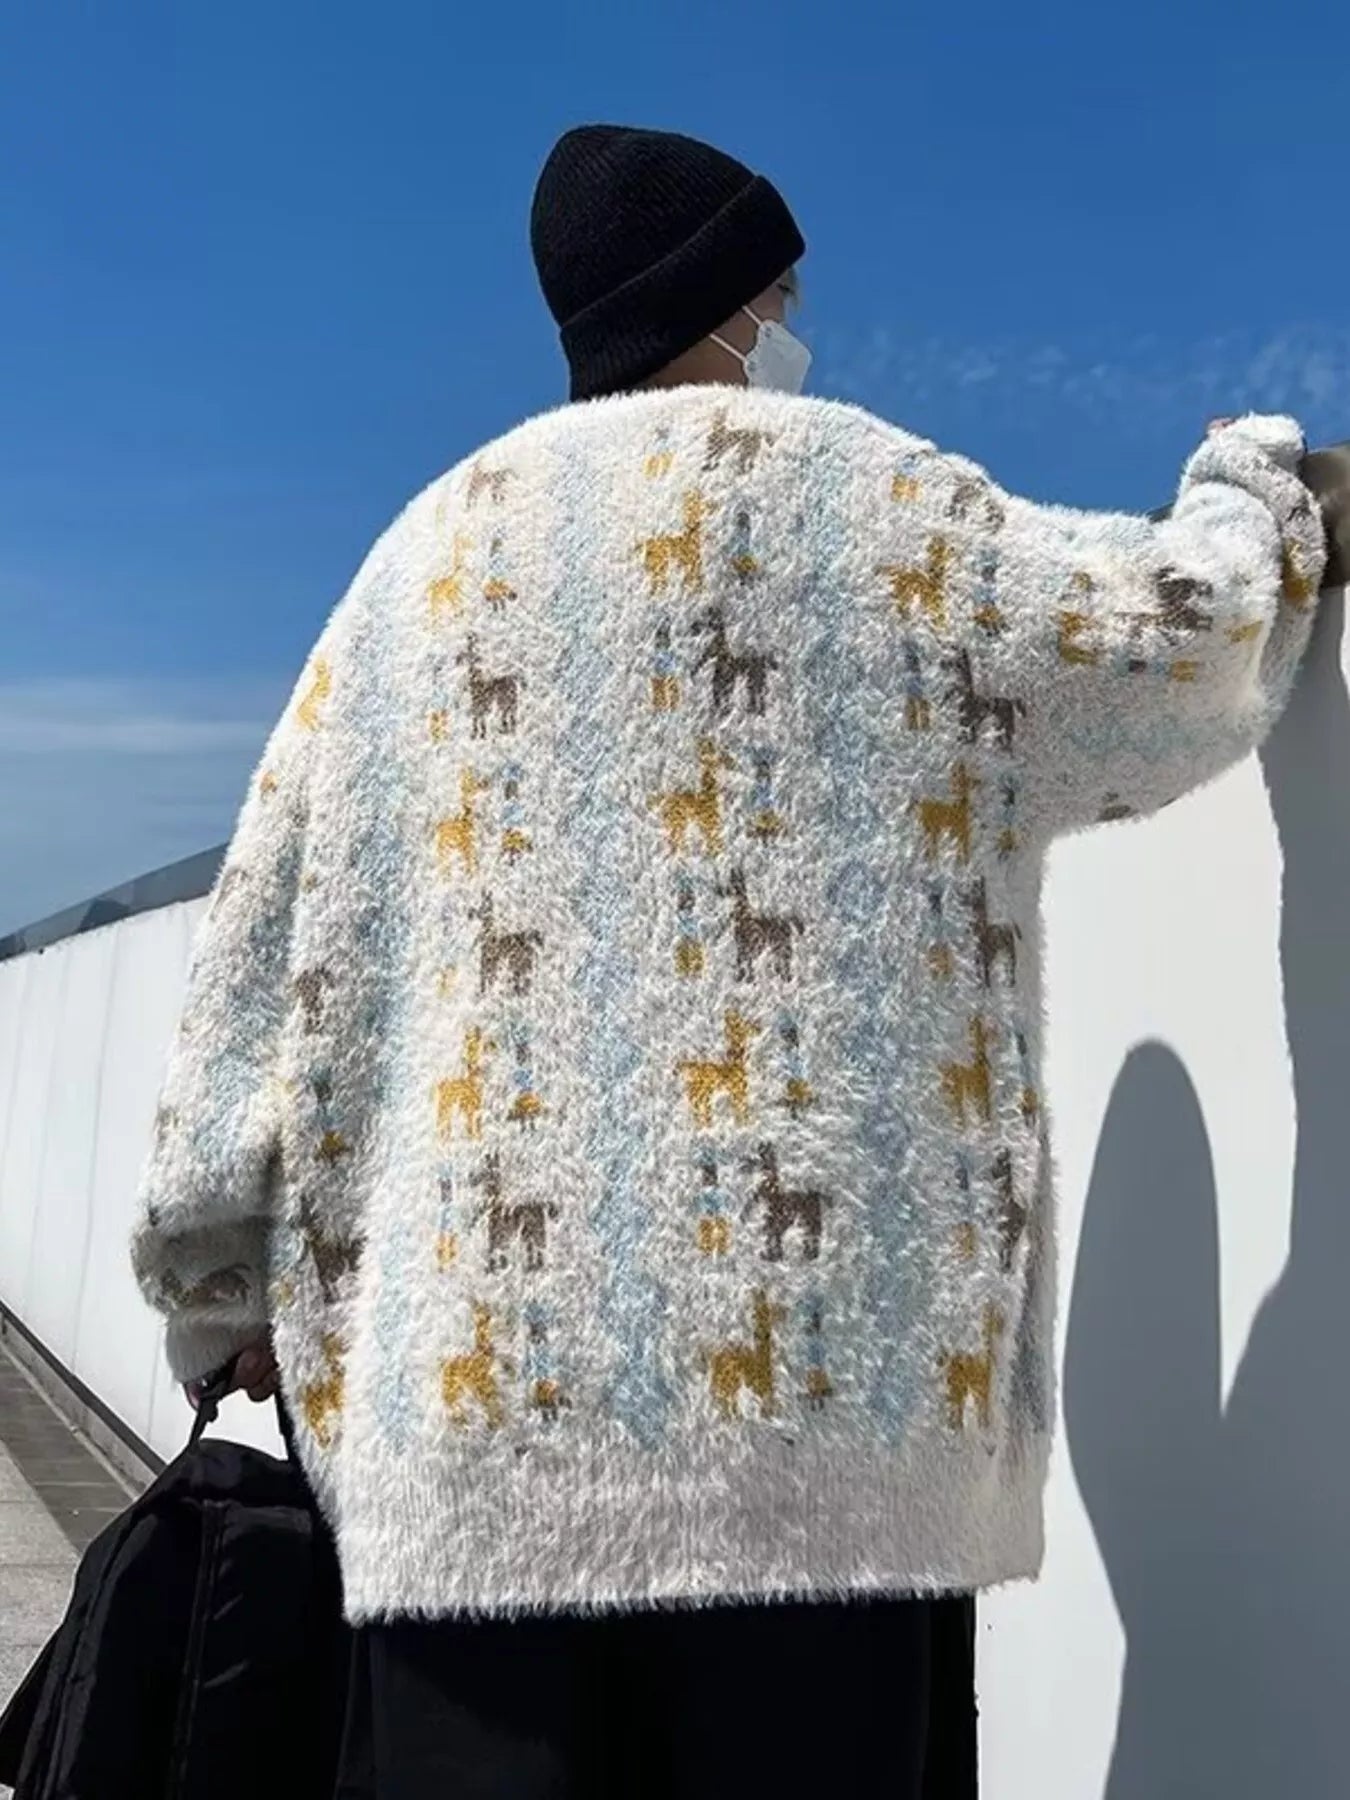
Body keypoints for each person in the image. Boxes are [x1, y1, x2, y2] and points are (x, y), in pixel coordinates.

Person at [133, 123, 1336, 1798]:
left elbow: (255, 956)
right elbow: (1160, 646)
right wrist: (1244, 488)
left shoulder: (415, 572)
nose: (795, 327)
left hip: (467, 1458)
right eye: (783, 295)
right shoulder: (881, 508)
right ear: (725, 300)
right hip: (830, 1464)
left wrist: (218, 1296)